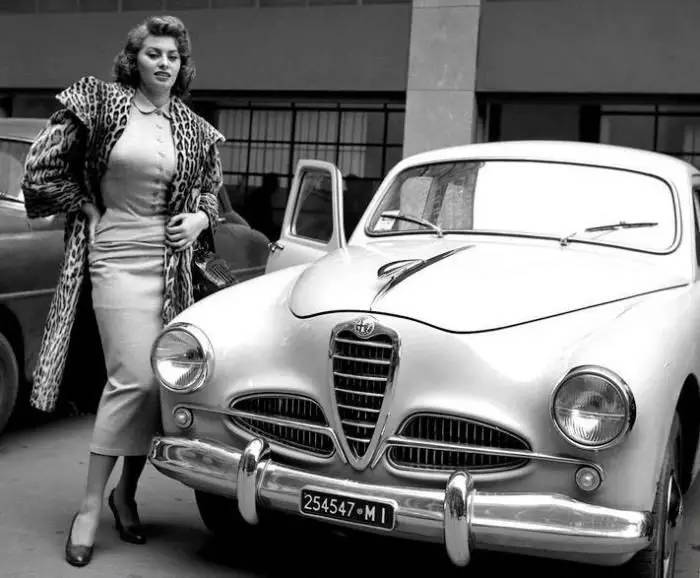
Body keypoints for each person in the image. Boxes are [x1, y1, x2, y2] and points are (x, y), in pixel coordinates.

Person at [21, 15, 224, 567]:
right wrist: (84, 206)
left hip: (172, 265)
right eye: (154, 53)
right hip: (115, 254)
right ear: (134, 59)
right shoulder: (99, 103)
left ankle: (125, 494)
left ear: (183, 66)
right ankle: (90, 506)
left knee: (161, 381)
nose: (164, 63)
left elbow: (211, 192)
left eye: (173, 56)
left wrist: (199, 220)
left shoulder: (194, 127)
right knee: (132, 375)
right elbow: (39, 168)